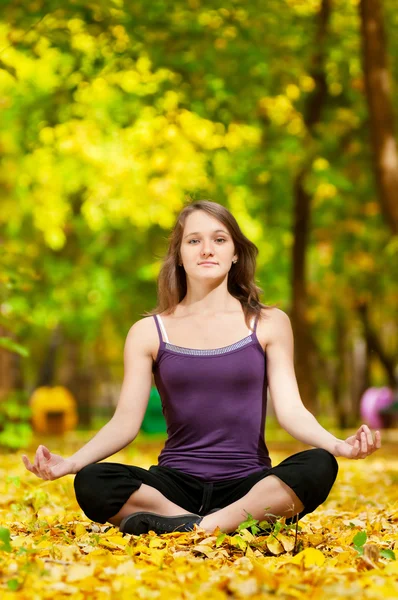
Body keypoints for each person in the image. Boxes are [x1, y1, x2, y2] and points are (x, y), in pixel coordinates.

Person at [22, 200, 382, 536]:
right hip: (173, 486)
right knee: (93, 481)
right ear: (179, 256)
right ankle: (211, 523)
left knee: (319, 465)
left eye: (219, 239)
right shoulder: (148, 332)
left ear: (235, 252)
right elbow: (124, 423)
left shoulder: (269, 323)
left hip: (249, 484)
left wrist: (339, 446)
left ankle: (204, 524)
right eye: (194, 240)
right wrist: (70, 464)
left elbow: (290, 411)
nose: (207, 249)